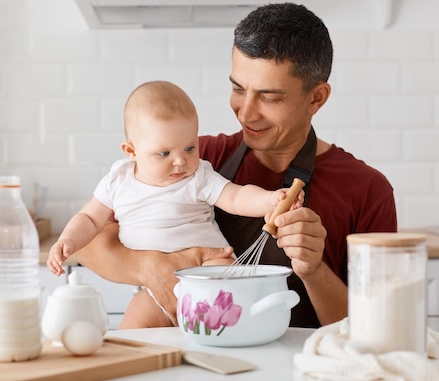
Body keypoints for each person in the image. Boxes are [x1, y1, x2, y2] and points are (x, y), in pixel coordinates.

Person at [77, 2, 397, 328]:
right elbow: (86, 243)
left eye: (269, 97)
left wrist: (314, 270)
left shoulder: (366, 190)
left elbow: (380, 329)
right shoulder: (194, 160)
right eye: (237, 89)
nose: (246, 112)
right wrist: (149, 267)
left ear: (316, 98)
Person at [47, 80, 303, 328]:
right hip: (155, 287)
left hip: (208, 269)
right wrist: (68, 240)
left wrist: (270, 200)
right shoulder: (117, 180)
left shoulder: (198, 177)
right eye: (164, 153)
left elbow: (235, 197)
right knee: (131, 333)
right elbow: (90, 219)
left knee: (229, 303)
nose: (180, 161)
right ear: (131, 151)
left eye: (190, 148)